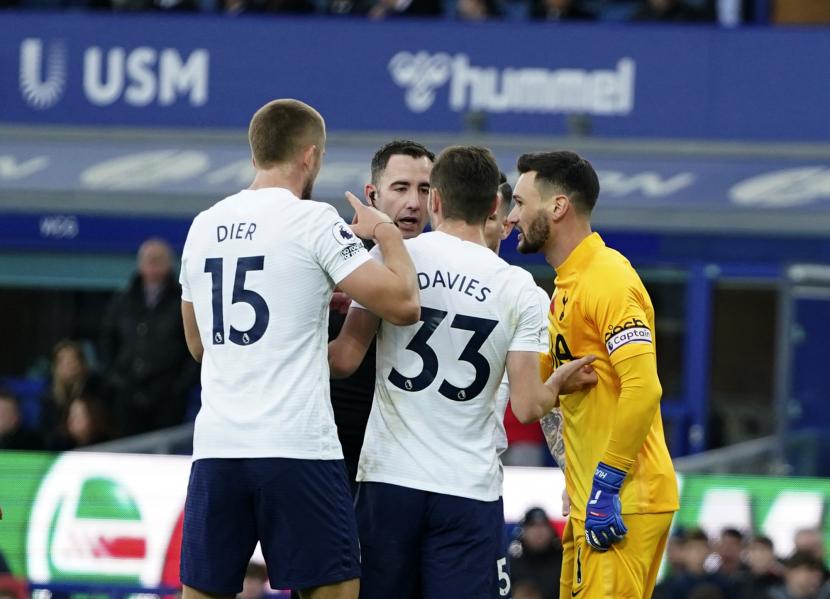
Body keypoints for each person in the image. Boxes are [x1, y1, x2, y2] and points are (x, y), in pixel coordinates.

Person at [177, 99, 420, 599]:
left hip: (217, 448)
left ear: (255, 152)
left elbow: (198, 344)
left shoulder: (203, 226)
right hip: (296, 447)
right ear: (309, 157)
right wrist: (385, 232)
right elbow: (402, 304)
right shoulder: (313, 220)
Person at [329, 146, 597, 598]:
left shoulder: (392, 260)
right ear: (494, 205)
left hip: (388, 481)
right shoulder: (522, 290)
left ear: (434, 200)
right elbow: (529, 406)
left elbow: (345, 359)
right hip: (467, 489)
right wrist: (560, 382)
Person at [509, 150, 679, 598]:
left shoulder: (608, 279)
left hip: (624, 500)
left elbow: (644, 388)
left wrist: (605, 483)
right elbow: (545, 403)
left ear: (558, 206)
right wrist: (575, 476)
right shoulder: (565, 286)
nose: (512, 216)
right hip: (592, 500)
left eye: (521, 203)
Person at [329, 139, 434, 492]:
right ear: (372, 194)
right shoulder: (332, 255)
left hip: (411, 457)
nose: (413, 203)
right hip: (334, 449)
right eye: (401, 188)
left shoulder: (447, 263)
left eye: (424, 190)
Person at [99, 238, 199, 436]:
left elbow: (194, 344)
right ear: (140, 263)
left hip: (168, 396)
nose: (152, 265)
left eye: (158, 259)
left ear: (169, 263)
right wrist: (115, 378)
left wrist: (179, 386)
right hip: (126, 393)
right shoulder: (123, 299)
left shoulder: (183, 299)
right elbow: (107, 339)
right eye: (148, 259)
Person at [38, 340, 104, 442]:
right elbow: (46, 431)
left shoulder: (97, 390)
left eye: (72, 360)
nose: (68, 366)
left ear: (82, 364)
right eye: (62, 361)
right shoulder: (48, 395)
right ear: (55, 367)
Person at [509, 507, 564, 599]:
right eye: (532, 526)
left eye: (543, 525)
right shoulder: (511, 565)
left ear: (551, 531)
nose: (538, 531)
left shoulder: (564, 563)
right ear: (523, 531)